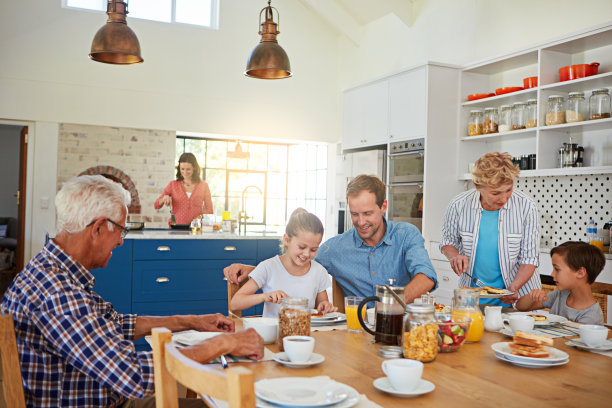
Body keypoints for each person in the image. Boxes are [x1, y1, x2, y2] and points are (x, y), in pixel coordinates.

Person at [1, 175, 263, 408]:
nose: (121, 240)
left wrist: (191, 322)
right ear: (99, 228)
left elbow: (113, 323)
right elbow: (135, 376)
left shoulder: (54, 270)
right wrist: (225, 343)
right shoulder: (56, 292)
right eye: (121, 230)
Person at [225, 175, 438, 303]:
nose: (361, 222)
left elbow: (426, 277)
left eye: (367, 214)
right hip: (359, 333)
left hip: (405, 328)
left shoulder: (406, 235)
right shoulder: (336, 248)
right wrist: (254, 269)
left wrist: (389, 306)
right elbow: (296, 263)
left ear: (383, 207)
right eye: (354, 214)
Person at [440, 152, 540, 307]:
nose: (504, 198)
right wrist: (455, 256)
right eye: (495, 193)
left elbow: (529, 259)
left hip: (519, 300)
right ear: (478, 186)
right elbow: (448, 242)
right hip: (472, 300)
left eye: (508, 189)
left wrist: (513, 288)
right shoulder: (458, 205)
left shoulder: (526, 206)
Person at [230, 208, 336, 317]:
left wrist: (325, 306)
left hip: (305, 333)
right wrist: (265, 296)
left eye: (313, 249)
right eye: (302, 247)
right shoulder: (268, 267)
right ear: (287, 240)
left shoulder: (318, 272)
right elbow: (235, 303)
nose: (307, 254)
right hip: (273, 333)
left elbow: (321, 307)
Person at [515, 241, 605, 324]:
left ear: (580, 272)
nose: (552, 274)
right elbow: (520, 307)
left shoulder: (593, 317)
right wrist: (531, 298)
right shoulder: (560, 295)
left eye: (557, 269)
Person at [154, 152, 213, 225]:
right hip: (176, 228)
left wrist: (200, 217)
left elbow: (209, 210)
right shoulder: (173, 185)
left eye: (188, 169)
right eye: (182, 169)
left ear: (194, 168)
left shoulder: (204, 185)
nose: (185, 172)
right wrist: (164, 199)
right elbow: (156, 205)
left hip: (196, 228)